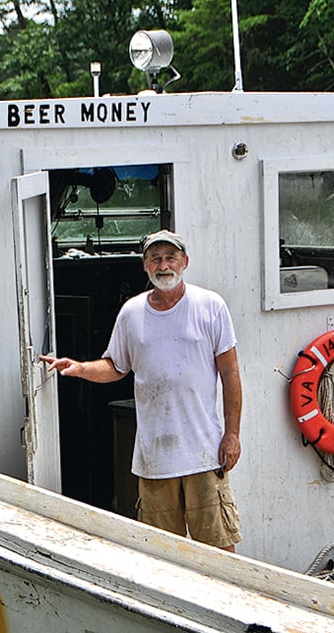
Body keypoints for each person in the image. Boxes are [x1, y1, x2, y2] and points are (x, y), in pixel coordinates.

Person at [40, 230, 243, 551]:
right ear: (145, 266)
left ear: (184, 262)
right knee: (161, 556)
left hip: (204, 455)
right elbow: (115, 366)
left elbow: (230, 374)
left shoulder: (211, 305)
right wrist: (78, 368)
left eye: (170, 257)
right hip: (154, 461)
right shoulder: (131, 313)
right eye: (155, 259)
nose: (164, 265)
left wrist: (232, 435)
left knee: (220, 552)